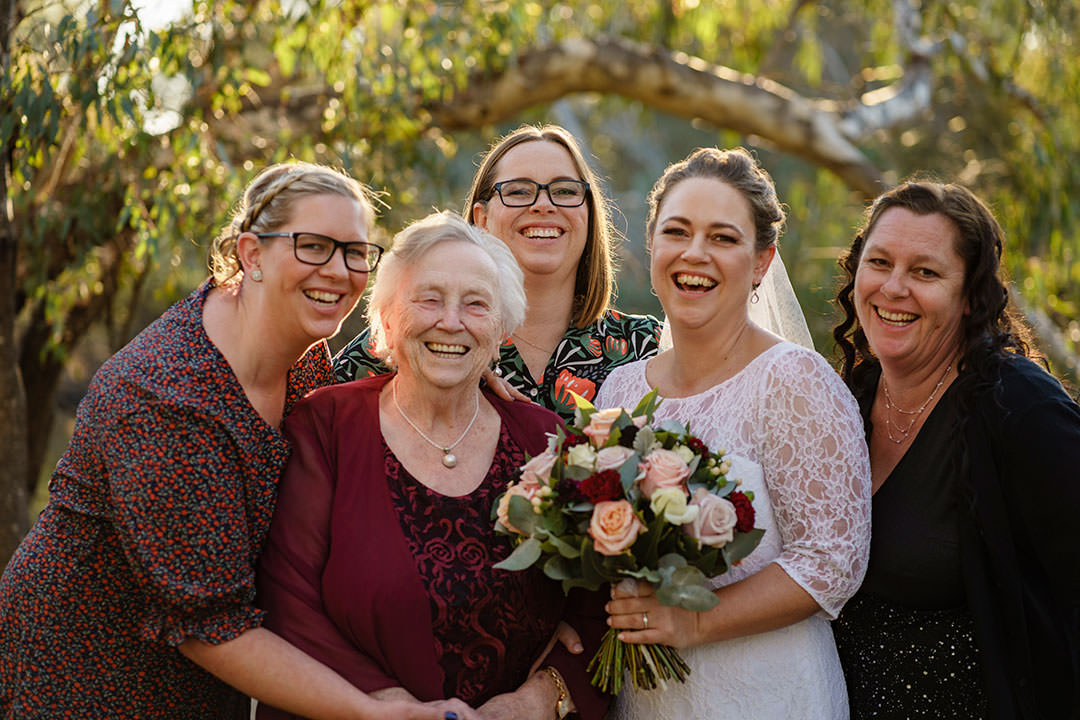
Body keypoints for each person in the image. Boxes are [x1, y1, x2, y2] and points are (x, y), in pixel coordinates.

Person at [0, 162, 466, 720]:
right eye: (314, 246)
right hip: (76, 683)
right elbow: (209, 625)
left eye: (356, 251)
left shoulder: (305, 360)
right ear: (251, 254)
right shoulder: (166, 396)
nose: (339, 271)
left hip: (195, 688)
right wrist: (372, 711)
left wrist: (464, 380)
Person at [255, 212, 608, 720]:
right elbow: (287, 597)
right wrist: (390, 706)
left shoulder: (546, 441)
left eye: (476, 304)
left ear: (502, 329)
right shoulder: (325, 424)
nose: (451, 321)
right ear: (389, 319)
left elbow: (598, 608)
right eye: (429, 298)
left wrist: (535, 700)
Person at [597, 147, 872, 719]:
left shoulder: (794, 382)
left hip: (767, 692)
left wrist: (693, 621)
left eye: (723, 238)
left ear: (762, 261)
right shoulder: (620, 391)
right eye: (677, 231)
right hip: (649, 698)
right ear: (653, 244)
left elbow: (830, 564)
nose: (694, 253)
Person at [830, 181, 1080, 719]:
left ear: (970, 297)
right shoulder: (848, 398)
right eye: (880, 263)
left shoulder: (1019, 408)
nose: (893, 288)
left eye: (925, 272)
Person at [334, 124, 661, 422]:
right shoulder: (404, 345)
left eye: (565, 191)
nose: (544, 205)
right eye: (519, 191)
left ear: (589, 215)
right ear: (481, 218)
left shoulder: (648, 350)